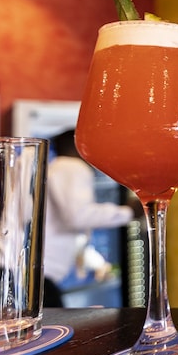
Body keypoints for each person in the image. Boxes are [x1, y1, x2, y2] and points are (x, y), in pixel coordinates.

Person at [43, 129, 140, 307]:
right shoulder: (72, 167)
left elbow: (69, 230)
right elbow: (78, 216)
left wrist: (97, 264)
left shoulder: (55, 169)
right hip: (40, 276)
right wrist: (129, 212)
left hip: (32, 274)